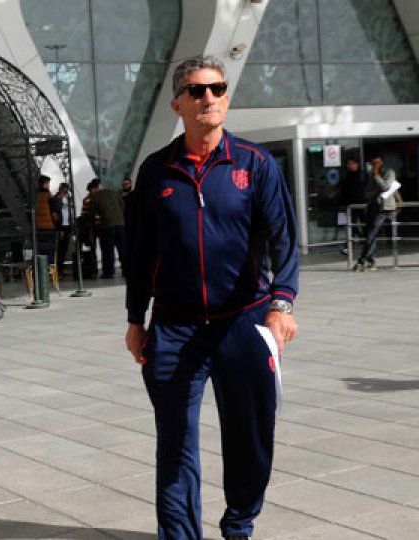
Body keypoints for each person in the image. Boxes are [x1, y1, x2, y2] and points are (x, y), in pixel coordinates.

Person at [125, 55, 299, 540]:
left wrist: (281, 302)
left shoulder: (255, 164)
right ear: (177, 102)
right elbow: (139, 253)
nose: (209, 98)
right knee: (176, 442)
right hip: (176, 327)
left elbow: (283, 237)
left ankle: (239, 522)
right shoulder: (156, 171)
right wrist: (135, 318)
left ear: (227, 99)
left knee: (251, 434)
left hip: (243, 323)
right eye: (197, 91)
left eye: (217, 89)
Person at [353, 156, 401, 271]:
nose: (376, 165)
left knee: (371, 233)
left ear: (382, 162)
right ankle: (371, 261)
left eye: (378, 162)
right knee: (370, 234)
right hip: (372, 206)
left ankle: (362, 260)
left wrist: (376, 175)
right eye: (373, 163)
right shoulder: (371, 175)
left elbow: (385, 187)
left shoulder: (389, 172)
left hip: (383, 208)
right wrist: (376, 191)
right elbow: (367, 193)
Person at [92, 180, 126, 279]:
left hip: (107, 226)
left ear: (94, 189)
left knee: (108, 250)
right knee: (123, 249)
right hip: (120, 224)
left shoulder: (96, 196)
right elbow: (123, 206)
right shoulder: (114, 193)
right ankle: (126, 270)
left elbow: (91, 212)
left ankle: (109, 272)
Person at [337, 157, 367, 254]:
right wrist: (342, 204)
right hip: (350, 205)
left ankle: (366, 242)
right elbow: (343, 191)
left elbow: (366, 189)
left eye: (351, 163)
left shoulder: (362, 175)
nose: (348, 165)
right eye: (348, 164)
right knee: (351, 225)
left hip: (362, 204)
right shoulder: (346, 176)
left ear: (356, 164)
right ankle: (348, 246)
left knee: (364, 224)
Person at [77, 179, 102, 279]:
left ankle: (94, 269)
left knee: (94, 248)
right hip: (94, 227)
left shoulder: (88, 199)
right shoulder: (90, 199)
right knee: (93, 248)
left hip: (94, 226)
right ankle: (93, 269)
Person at [52, 183, 74, 276]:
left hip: (67, 225)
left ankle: (60, 267)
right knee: (61, 248)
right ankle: (59, 268)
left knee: (64, 248)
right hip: (61, 226)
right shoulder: (56, 199)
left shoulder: (68, 199)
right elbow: (56, 214)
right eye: (64, 190)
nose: (64, 192)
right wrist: (59, 228)